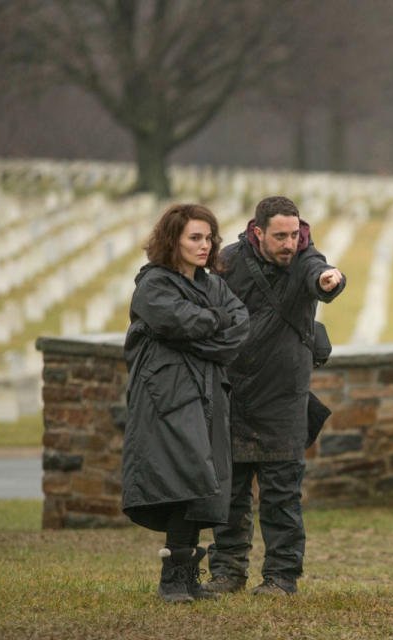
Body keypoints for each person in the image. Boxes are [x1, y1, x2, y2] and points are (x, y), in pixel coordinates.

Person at [205, 195, 346, 596]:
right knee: (229, 495)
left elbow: (321, 275)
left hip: (285, 398)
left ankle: (282, 578)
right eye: (280, 236)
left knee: (282, 498)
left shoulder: (306, 259)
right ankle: (227, 572)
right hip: (234, 393)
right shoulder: (228, 262)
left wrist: (328, 281)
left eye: (295, 234)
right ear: (257, 233)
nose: (290, 243)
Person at [122, 203, 249, 604]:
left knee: (201, 481)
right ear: (172, 240)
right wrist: (213, 322)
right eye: (195, 237)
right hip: (167, 393)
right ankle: (171, 579)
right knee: (181, 473)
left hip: (209, 390)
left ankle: (188, 577)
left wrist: (202, 325)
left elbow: (239, 325)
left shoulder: (213, 285)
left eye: (209, 237)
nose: (204, 244)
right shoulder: (153, 285)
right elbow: (173, 321)